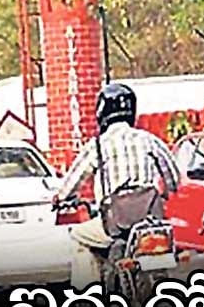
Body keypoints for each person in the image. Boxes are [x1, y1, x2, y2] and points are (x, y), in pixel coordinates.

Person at [53, 83, 181, 289]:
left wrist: (60, 198)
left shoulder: (98, 145)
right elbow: (174, 179)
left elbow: (71, 184)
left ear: (102, 113)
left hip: (115, 222)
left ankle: (88, 295)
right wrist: (164, 193)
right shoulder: (149, 140)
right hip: (150, 221)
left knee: (78, 236)